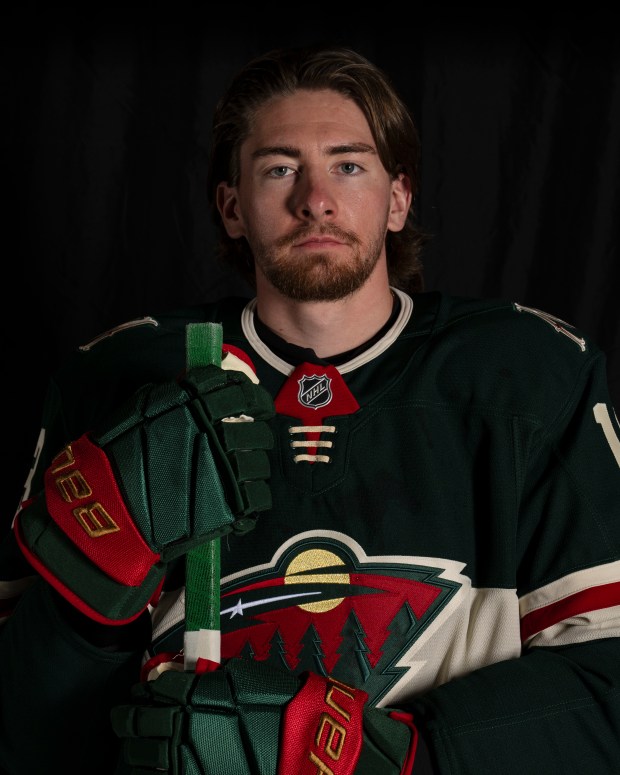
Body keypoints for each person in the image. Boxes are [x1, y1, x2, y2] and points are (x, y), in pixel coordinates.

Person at [1, 43, 619, 775]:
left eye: (348, 165)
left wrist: (390, 759)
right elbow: (22, 734)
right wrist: (91, 579)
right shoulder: (118, 378)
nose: (315, 199)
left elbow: (607, 693)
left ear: (398, 198)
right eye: (279, 168)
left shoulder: (532, 376)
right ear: (232, 207)